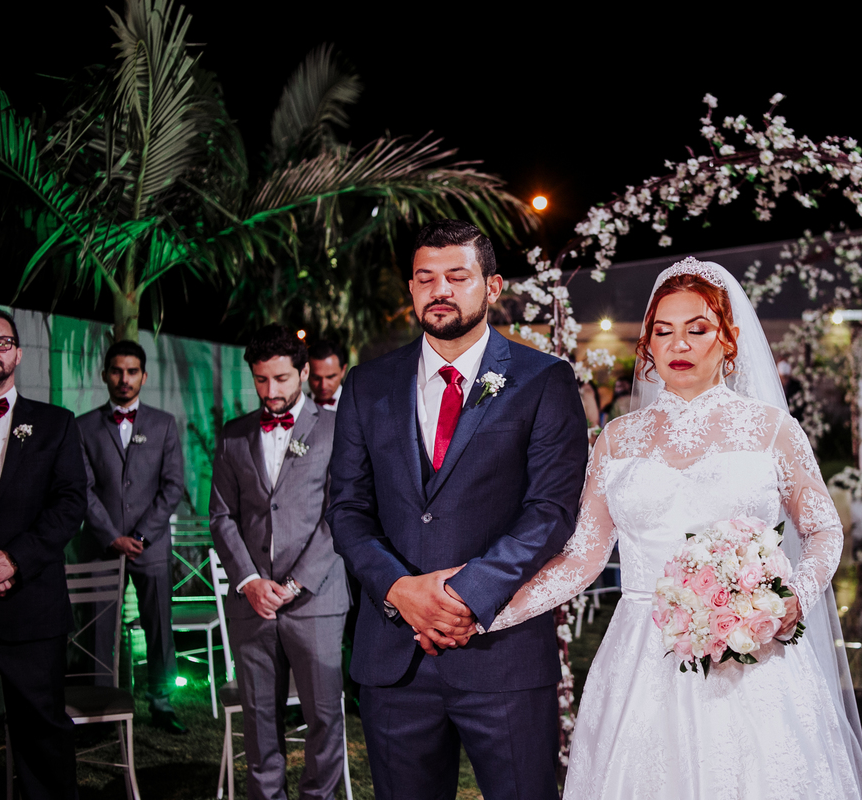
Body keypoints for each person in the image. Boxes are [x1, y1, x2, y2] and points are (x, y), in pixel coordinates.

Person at [483, 260, 862, 799]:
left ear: (728, 339)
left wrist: (794, 598)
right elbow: (582, 559)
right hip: (641, 656)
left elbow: (824, 530)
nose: (679, 344)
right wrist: (486, 612)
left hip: (750, 653)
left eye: (698, 328)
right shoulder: (617, 439)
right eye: (663, 331)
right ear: (647, 344)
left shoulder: (772, 430)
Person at [327, 219, 588, 800]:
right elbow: (346, 508)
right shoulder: (367, 384)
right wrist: (400, 590)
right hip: (393, 659)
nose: (439, 289)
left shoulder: (543, 380)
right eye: (425, 278)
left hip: (502, 651)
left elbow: (550, 510)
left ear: (492, 286)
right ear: (411, 288)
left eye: (456, 276)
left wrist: (463, 596)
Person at [210, 325, 351, 800]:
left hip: (316, 600)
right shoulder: (234, 435)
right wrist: (250, 581)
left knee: (324, 717)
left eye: (281, 379)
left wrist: (293, 584)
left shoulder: (337, 429)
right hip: (253, 604)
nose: (270, 390)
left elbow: (340, 514)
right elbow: (221, 516)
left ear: (304, 373)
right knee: (258, 719)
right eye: (261, 380)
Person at [0, 306, 86, 800]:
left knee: (42, 736)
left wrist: (12, 559)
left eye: (1, 342)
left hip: (33, 605)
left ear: (18, 354)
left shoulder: (56, 423)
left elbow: (70, 505)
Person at [75, 340, 187, 733]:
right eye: (117, 371)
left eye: (132, 371)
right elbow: (82, 488)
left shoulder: (163, 423)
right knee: (98, 628)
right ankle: (101, 707)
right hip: (101, 547)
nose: (124, 379)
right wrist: (111, 536)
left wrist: (140, 535)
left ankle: (162, 703)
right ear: (105, 374)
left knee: (159, 626)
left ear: (143, 375)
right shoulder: (83, 426)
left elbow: (173, 486)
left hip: (150, 546)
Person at [308, 341, 348, 408]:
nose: (323, 386)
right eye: (316, 378)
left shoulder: (359, 405)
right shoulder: (297, 405)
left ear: (343, 370)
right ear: (306, 372)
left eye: (330, 377)